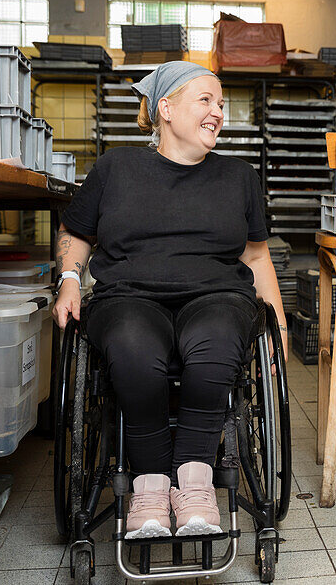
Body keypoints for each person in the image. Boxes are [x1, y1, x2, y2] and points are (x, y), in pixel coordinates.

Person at [51, 61, 286, 540]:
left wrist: (278, 329)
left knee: (218, 340)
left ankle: (194, 483)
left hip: (217, 296)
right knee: (133, 347)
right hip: (129, 296)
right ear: (166, 108)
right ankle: (151, 486)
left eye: (221, 104)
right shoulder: (117, 167)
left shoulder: (238, 176)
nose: (218, 112)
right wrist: (70, 281)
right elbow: (75, 233)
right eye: (206, 100)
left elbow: (258, 258)